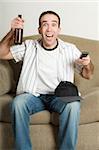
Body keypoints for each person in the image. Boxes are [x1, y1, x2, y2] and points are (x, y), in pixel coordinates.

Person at [0, 11, 94, 150]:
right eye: (45, 24)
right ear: (39, 30)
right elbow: (2, 53)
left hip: (60, 97)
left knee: (73, 105)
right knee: (18, 104)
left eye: (53, 24)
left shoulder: (70, 49)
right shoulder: (29, 46)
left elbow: (88, 75)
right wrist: (12, 32)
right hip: (33, 95)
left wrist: (87, 64)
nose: (49, 29)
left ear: (59, 30)